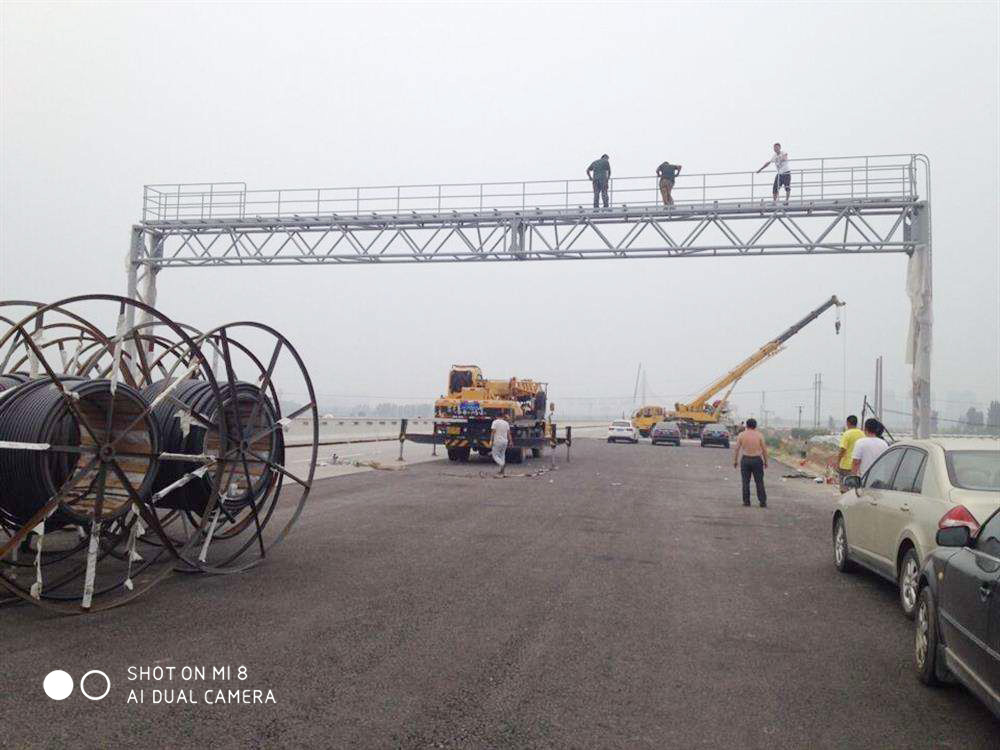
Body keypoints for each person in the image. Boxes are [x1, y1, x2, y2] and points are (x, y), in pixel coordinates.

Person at [733, 417, 768, 507]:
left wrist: (735, 461)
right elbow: (764, 450)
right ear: (755, 426)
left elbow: (736, 449)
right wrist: (766, 461)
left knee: (745, 482)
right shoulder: (759, 435)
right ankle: (762, 501)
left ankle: (746, 501)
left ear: (746, 425)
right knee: (759, 482)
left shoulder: (741, 435)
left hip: (745, 459)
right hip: (757, 460)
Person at [834, 415, 865, 490]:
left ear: (848, 423)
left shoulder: (847, 434)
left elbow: (842, 450)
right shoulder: (862, 434)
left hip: (846, 466)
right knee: (854, 488)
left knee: (844, 488)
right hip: (857, 466)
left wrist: (838, 463)